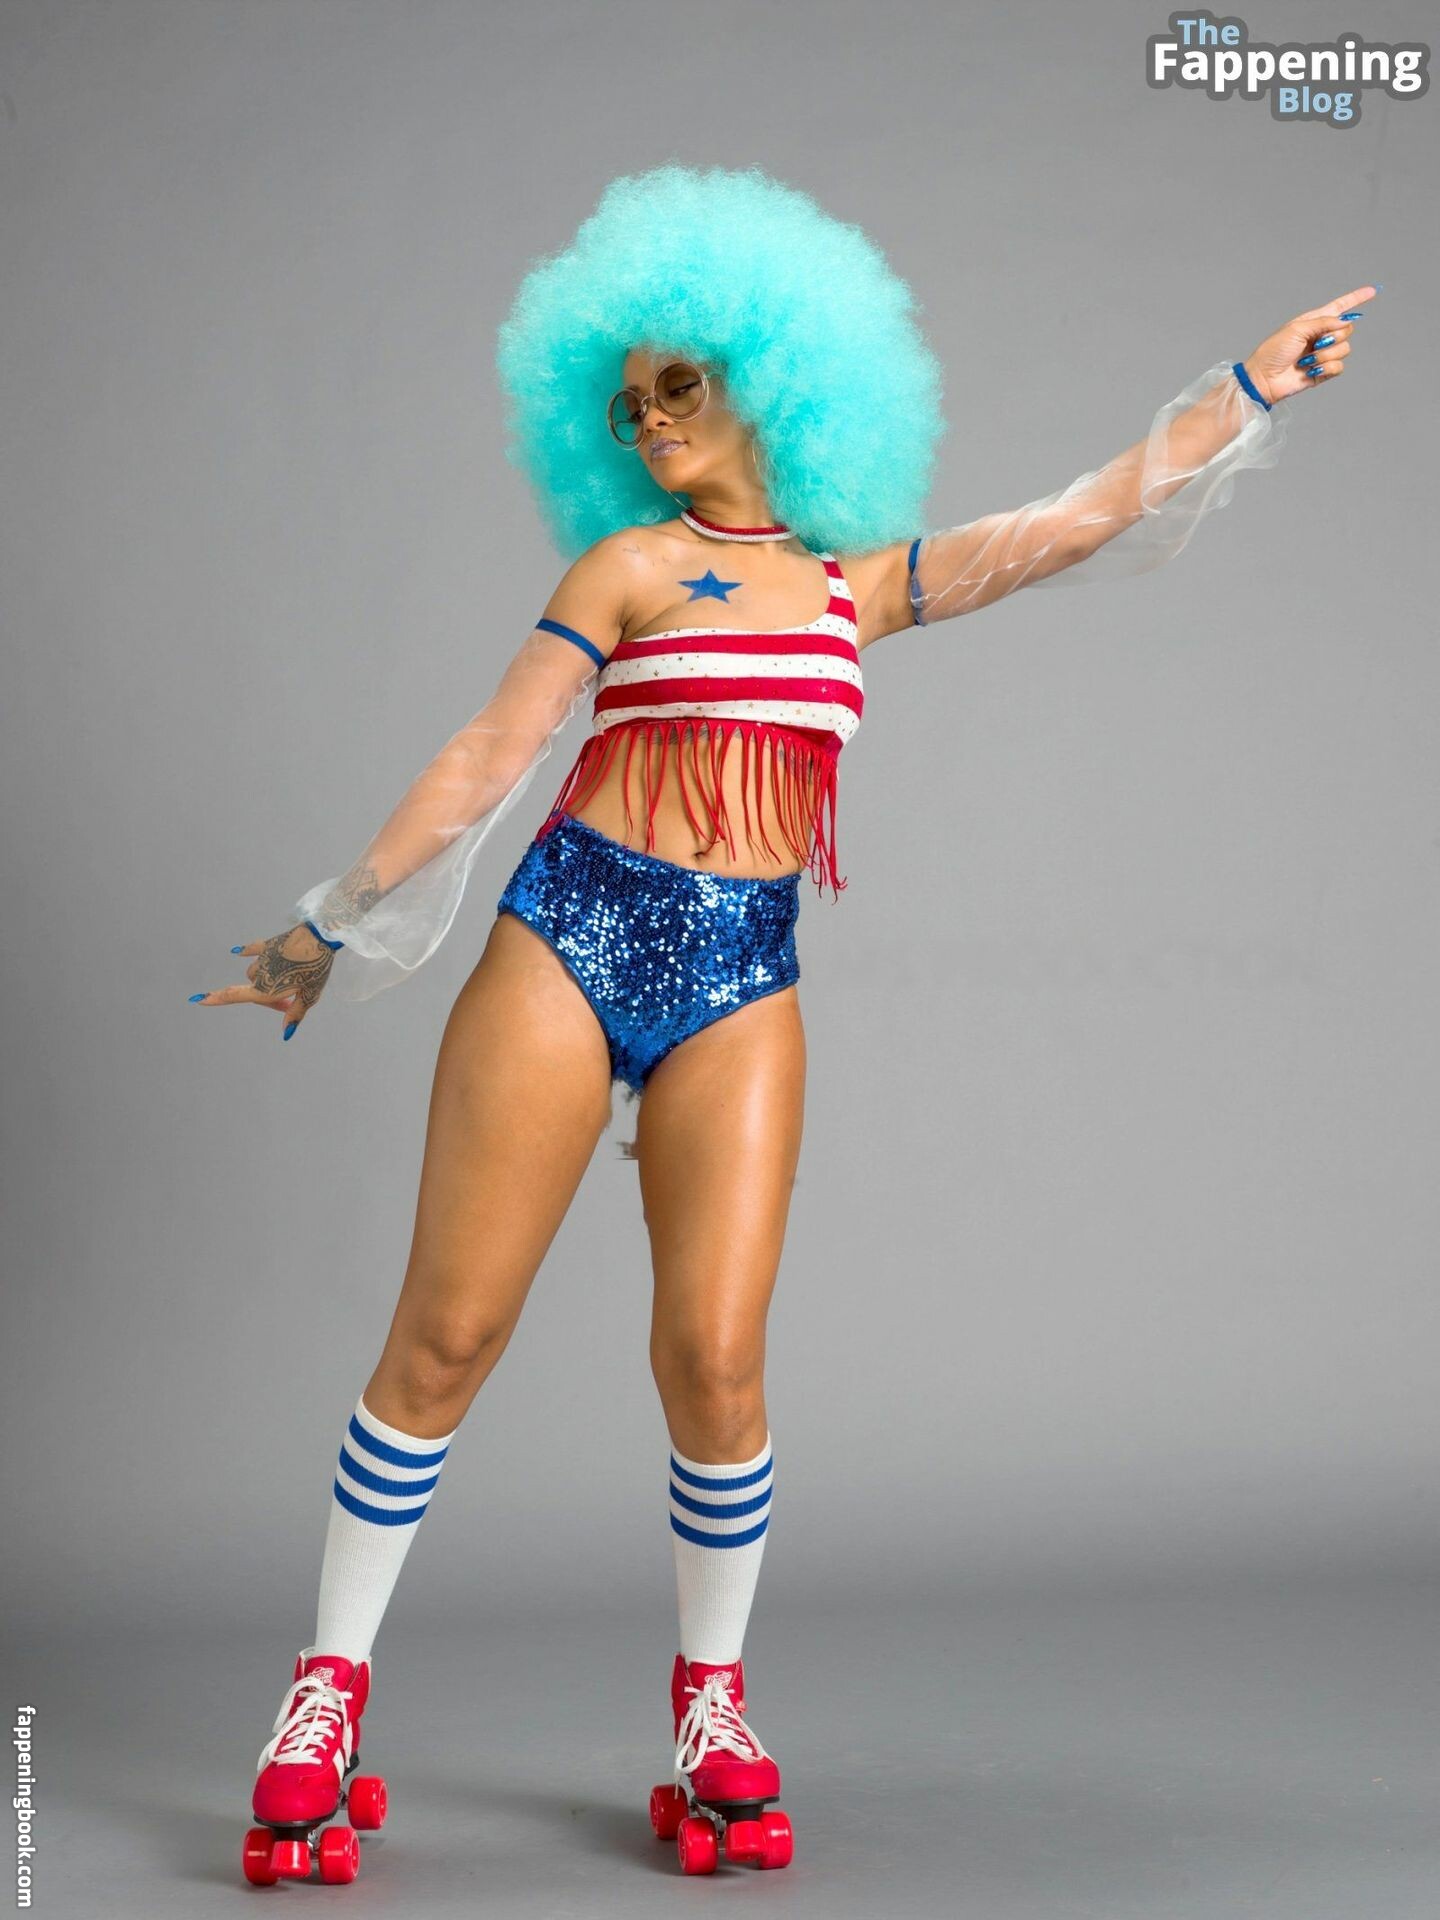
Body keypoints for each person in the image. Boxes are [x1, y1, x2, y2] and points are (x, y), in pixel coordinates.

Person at [194, 164, 1375, 1882]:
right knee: (447, 1335)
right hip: (571, 935)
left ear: (771, 372)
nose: (654, 419)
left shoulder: (852, 586)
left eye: (679, 381)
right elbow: (492, 751)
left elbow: (1083, 515)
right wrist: (330, 926)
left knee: (717, 1358)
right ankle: (324, 1691)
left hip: (741, 971)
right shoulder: (625, 566)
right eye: (627, 404)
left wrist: (1246, 389)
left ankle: (713, 1704)